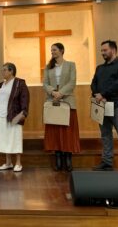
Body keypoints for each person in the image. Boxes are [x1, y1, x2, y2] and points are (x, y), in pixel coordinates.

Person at [91, 40, 118, 176]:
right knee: (105, 135)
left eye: (105, 50)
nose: (102, 53)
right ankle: (107, 162)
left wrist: (103, 94)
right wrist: (97, 94)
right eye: (101, 50)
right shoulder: (100, 68)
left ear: (113, 50)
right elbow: (94, 83)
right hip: (102, 105)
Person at [43, 43, 80, 172]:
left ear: (62, 50)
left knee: (67, 131)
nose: (52, 52)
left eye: (54, 50)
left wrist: (61, 93)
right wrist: (53, 92)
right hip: (53, 100)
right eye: (51, 50)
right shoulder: (48, 67)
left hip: (67, 100)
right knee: (55, 131)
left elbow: (72, 81)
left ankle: (68, 158)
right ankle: (58, 157)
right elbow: (45, 83)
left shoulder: (71, 65)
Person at [0, 63, 29, 172]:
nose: (2, 72)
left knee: (15, 138)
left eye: (4, 70)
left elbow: (25, 99)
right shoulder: (1, 85)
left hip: (14, 116)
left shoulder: (19, 83)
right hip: (1, 116)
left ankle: (18, 163)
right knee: (4, 139)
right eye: (2, 70)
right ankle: (8, 162)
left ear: (11, 71)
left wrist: (23, 113)